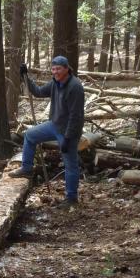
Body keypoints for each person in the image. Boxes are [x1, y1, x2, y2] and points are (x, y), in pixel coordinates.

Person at [10, 56, 85, 207]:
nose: (55, 72)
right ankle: (26, 168)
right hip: (54, 125)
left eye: (58, 69)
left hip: (68, 130)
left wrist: (68, 139)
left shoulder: (75, 86)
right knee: (30, 136)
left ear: (66, 69)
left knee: (70, 164)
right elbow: (38, 92)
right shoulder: (55, 83)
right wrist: (25, 77)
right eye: (53, 69)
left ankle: (71, 198)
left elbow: (75, 117)